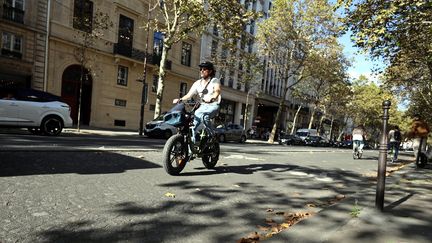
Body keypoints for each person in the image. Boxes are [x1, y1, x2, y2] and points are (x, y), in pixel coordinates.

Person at [173, 61, 221, 143]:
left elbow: (217, 90)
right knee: (192, 126)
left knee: (205, 117)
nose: (202, 71)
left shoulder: (215, 80)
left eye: (204, 69)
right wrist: (180, 99)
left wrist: (213, 97)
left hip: (213, 105)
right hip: (201, 107)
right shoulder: (197, 83)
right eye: (201, 69)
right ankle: (190, 150)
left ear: (210, 71)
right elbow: (188, 95)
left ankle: (212, 135)